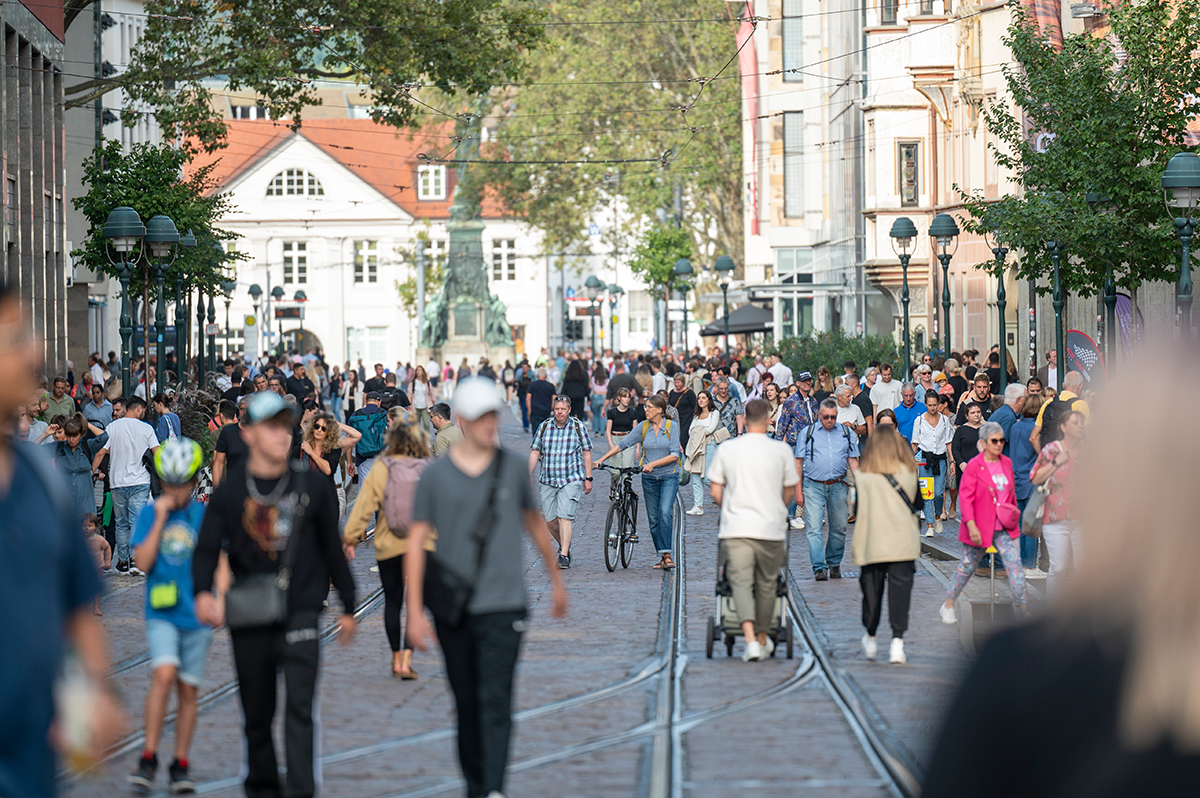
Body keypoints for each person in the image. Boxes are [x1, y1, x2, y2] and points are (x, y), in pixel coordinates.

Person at [405, 378, 568, 798]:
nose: (486, 424)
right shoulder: (435, 476)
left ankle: (493, 787)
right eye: (478, 417)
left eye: (492, 415)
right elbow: (418, 542)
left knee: (496, 698)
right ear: (460, 419)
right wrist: (414, 611)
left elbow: (533, 522)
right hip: (453, 607)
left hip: (504, 604)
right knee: (466, 701)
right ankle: (477, 785)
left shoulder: (512, 467)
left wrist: (555, 579)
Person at [192, 392, 356, 798]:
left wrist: (349, 604)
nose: (283, 435)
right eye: (272, 427)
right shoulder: (231, 492)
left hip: (301, 608)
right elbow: (207, 547)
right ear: (248, 433)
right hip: (251, 610)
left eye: (287, 426)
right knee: (257, 712)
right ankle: (262, 786)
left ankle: (301, 790)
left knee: (300, 708)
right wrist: (201, 593)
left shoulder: (312, 484)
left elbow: (331, 547)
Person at [0, 280, 124, 798]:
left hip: (33, 762)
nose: (35, 351)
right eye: (13, 341)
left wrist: (93, 693)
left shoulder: (38, 474)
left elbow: (76, 604)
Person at [127, 438, 218, 794]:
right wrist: (161, 517)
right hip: (161, 611)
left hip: (195, 612)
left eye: (183, 483)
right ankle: (148, 755)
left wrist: (218, 597)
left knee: (188, 688)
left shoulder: (204, 514)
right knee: (164, 675)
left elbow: (219, 559)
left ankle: (180, 761)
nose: (176, 490)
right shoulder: (151, 513)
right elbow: (144, 562)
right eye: (169, 483)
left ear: (195, 482)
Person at [707, 399, 798, 662]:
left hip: (737, 528)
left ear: (744, 420)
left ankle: (750, 641)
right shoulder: (781, 450)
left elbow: (715, 491)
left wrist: (730, 507)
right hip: (771, 528)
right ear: (769, 419)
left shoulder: (728, 449)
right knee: (768, 584)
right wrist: (778, 509)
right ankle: (762, 637)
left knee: (741, 583)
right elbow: (790, 489)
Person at [343, 414, 431, 680]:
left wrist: (351, 537)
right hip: (420, 546)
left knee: (392, 602)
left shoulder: (383, 466)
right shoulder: (427, 467)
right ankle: (407, 659)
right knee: (414, 602)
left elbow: (363, 505)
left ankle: (395, 658)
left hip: (388, 544)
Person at [938, 421, 1028, 624]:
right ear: (984, 443)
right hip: (979, 526)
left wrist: (1013, 516)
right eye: (994, 441)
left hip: (1005, 526)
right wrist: (971, 525)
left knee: (1015, 567)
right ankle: (949, 604)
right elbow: (966, 497)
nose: (999, 444)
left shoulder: (1006, 462)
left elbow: (1010, 493)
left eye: (1001, 441)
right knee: (967, 566)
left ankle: (1024, 611)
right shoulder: (974, 466)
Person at [851, 425, 921, 665]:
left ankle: (870, 636)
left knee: (871, 593)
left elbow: (858, 511)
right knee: (900, 593)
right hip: (902, 541)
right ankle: (897, 644)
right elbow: (918, 503)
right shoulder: (910, 472)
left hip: (873, 541)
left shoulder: (863, 476)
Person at [595, 394, 682, 571]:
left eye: (649, 407)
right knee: (653, 518)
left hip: (669, 476)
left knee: (665, 512)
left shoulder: (671, 426)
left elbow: (675, 454)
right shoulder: (643, 427)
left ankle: (667, 555)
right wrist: (601, 459)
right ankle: (662, 554)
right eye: (645, 406)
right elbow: (623, 444)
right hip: (649, 479)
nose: (645, 409)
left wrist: (652, 464)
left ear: (660, 410)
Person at [91, 395, 160, 574]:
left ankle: (122, 562)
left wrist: (93, 471)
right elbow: (157, 452)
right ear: (138, 408)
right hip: (140, 481)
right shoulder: (146, 429)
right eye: (143, 410)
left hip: (117, 482)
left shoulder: (113, 427)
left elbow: (101, 452)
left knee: (120, 523)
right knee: (137, 522)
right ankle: (136, 560)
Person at [795, 398, 860, 580]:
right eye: (825, 417)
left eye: (832, 417)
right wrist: (798, 490)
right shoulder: (807, 432)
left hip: (839, 484)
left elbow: (853, 461)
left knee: (839, 528)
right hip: (813, 485)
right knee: (814, 528)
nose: (829, 420)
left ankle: (834, 563)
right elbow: (798, 463)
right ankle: (819, 567)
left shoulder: (845, 432)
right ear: (819, 415)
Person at [529, 395, 593, 569]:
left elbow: (586, 452)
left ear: (569, 410)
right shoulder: (544, 427)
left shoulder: (578, 427)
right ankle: (565, 544)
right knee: (550, 520)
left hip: (571, 478)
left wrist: (588, 478)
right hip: (548, 479)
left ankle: (563, 555)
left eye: (563, 409)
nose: (560, 412)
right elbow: (535, 452)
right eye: (557, 409)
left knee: (565, 516)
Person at [1031, 409, 1084, 599]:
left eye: (1081, 423)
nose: (1079, 426)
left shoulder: (1088, 450)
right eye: (1075, 423)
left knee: (1084, 568)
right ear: (1063, 427)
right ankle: (1053, 608)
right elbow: (1035, 477)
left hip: (1083, 518)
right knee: (1059, 567)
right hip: (1055, 517)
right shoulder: (1051, 450)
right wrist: (1055, 463)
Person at [911, 389, 955, 537]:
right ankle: (930, 525)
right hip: (924, 460)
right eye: (929, 405)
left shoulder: (944, 420)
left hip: (940, 459)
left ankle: (937, 516)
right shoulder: (920, 420)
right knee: (927, 494)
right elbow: (915, 442)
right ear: (925, 404)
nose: (932, 408)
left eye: (935, 405)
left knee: (939, 493)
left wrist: (952, 461)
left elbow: (948, 441)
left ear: (939, 405)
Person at [1011, 394, 1045, 579]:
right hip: (1032, 478)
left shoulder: (1015, 426)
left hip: (1017, 478)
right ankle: (1031, 566)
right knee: (1031, 525)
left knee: (1020, 524)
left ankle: (1022, 564)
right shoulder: (1035, 429)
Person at [53, 414, 104, 522]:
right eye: (69, 435)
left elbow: (104, 437)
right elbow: (34, 449)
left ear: (81, 434)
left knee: (88, 533)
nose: (71, 439)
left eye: (75, 435)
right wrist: (46, 433)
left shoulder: (87, 446)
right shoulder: (59, 447)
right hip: (65, 502)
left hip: (85, 500)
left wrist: (86, 424)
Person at [684, 389, 727, 515]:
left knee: (707, 477)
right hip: (696, 447)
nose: (701, 400)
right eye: (699, 398)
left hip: (709, 446)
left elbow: (711, 429)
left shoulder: (714, 413)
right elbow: (690, 431)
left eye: (704, 397)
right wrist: (700, 431)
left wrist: (698, 431)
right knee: (696, 476)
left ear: (709, 399)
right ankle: (698, 506)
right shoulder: (697, 415)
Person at [1031, 370, 1090, 450]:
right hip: (1072, 456)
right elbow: (1087, 435)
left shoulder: (1048, 403)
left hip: (1051, 454)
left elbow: (1033, 437)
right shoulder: (1081, 404)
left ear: (1063, 385)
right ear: (1080, 386)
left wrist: (1044, 457)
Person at [300, 412, 361, 490]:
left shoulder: (334, 446)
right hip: (310, 491)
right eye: (317, 426)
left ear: (329, 431)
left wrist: (335, 423)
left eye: (324, 428)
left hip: (334, 490)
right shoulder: (304, 446)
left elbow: (357, 436)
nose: (319, 430)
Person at [348, 391, 389, 484]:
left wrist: (350, 462)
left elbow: (348, 440)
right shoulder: (384, 414)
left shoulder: (356, 415)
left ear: (365, 402)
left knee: (364, 493)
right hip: (381, 458)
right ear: (379, 402)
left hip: (362, 459)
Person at [603, 386, 640, 472]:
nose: (627, 399)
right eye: (624, 397)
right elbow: (608, 430)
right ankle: (614, 485)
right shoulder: (612, 412)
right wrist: (610, 444)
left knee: (627, 467)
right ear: (619, 398)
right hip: (615, 438)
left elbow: (636, 430)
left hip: (628, 438)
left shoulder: (632, 412)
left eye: (628, 397)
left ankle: (627, 485)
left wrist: (638, 447)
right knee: (615, 470)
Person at [668, 372, 698, 451]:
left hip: (686, 420)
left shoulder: (689, 393)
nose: (676, 384)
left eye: (678, 382)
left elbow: (694, 406)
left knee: (683, 439)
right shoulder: (672, 392)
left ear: (683, 382)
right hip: (675, 419)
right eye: (675, 382)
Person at [526, 367, 556, 434]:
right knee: (546, 431)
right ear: (546, 376)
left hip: (535, 411)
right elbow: (554, 398)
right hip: (546, 411)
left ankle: (536, 443)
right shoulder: (550, 386)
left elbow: (528, 398)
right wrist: (552, 408)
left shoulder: (532, 385)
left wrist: (529, 409)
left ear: (537, 375)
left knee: (535, 431)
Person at [409, 365, 434, 432]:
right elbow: (409, 395)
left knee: (426, 423)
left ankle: (427, 440)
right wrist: (410, 406)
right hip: (415, 406)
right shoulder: (413, 383)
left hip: (425, 406)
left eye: (420, 370)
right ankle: (418, 440)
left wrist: (434, 406)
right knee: (417, 425)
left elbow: (432, 395)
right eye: (417, 370)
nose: (418, 372)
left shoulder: (427, 383)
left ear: (423, 372)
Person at [589, 363, 609, 435]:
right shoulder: (607, 380)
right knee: (603, 414)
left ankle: (596, 431)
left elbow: (591, 387)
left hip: (595, 396)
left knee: (596, 414)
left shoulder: (593, 379)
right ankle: (602, 432)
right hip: (604, 396)